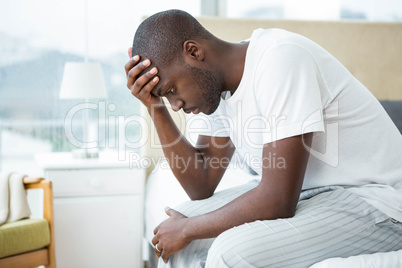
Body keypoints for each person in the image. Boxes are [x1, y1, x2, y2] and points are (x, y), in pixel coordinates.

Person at [124, 9, 402, 268]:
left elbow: (278, 199)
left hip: (377, 201)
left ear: (194, 52)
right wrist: (154, 106)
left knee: (230, 251)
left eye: (171, 89)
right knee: (182, 231)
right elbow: (201, 184)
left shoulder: (281, 58)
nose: (175, 104)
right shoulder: (215, 89)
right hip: (314, 196)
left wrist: (187, 228)